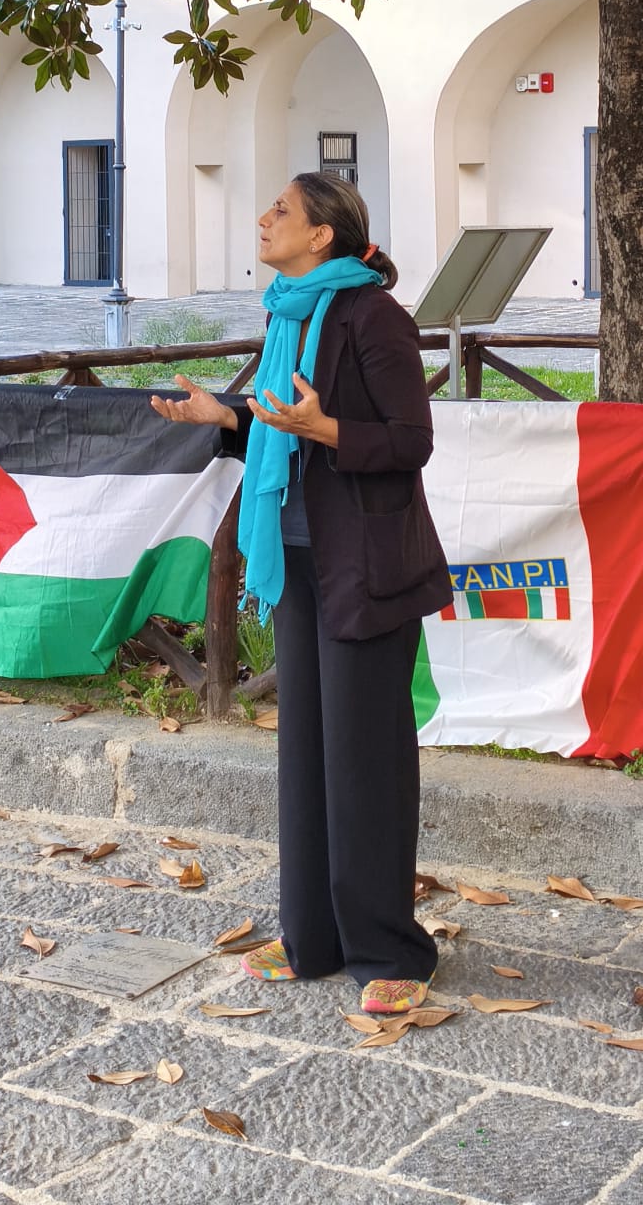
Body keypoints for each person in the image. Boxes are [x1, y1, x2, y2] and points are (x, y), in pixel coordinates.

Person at [151, 172, 451, 1015]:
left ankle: (389, 950)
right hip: (293, 556)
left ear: (322, 235)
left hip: (365, 564)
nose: (264, 217)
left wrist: (325, 428)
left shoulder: (373, 317)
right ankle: (313, 937)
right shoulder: (289, 313)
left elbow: (410, 441)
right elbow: (280, 425)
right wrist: (227, 416)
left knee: (365, 760)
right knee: (308, 755)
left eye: (280, 209)